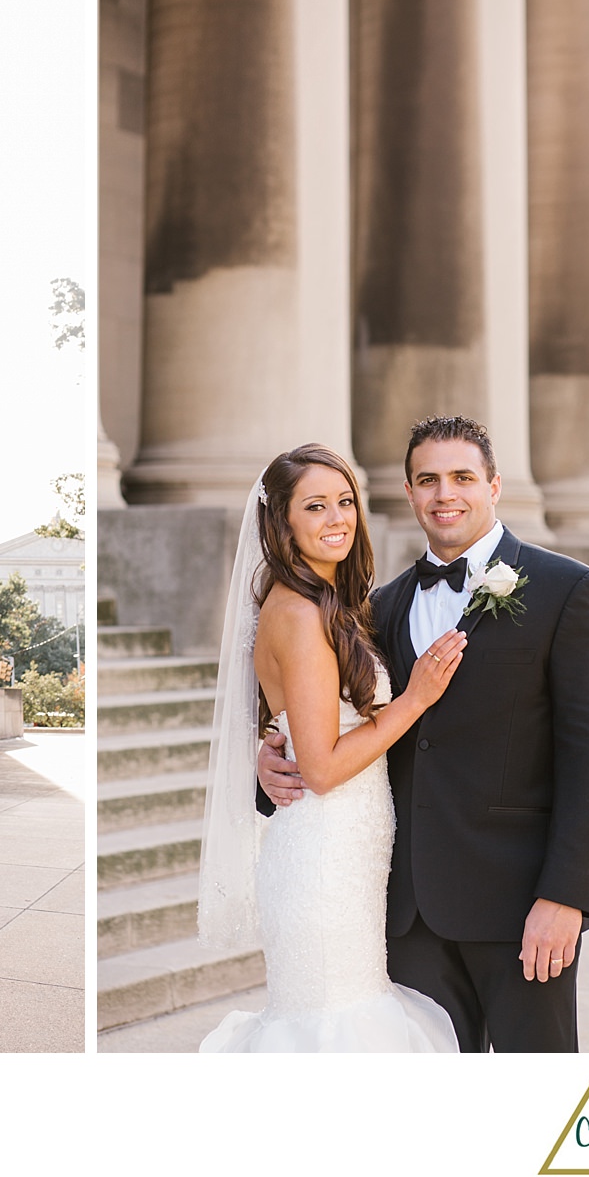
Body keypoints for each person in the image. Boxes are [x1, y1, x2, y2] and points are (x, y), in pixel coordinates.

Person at [257, 416, 589, 1052]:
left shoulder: (570, 592)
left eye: (462, 477)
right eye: (427, 480)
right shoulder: (375, 609)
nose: (444, 494)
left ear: (494, 485)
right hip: (402, 915)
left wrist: (566, 897)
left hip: (518, 908)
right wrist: (272, 757)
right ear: (408, 491)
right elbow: (327, 716)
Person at [197, 444, 464, 1052]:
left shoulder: (330, 604)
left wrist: (273, 743)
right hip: (322, 862)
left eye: (345, 501)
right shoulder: (297, 613)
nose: (337, 518)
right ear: (282, 523)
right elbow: (319, 768)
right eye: (315, 506)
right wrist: (415, 698)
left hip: (348, 859)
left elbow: (293, 726)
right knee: (335, 1031)